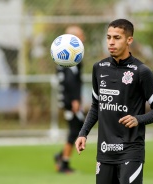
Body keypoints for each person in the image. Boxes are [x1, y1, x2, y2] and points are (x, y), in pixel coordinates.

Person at [75, 19, 153, 184]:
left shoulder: (142, 72)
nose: (111, 42)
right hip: (105, 151)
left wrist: (138, 119)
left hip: (131, 150)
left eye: (117, 38)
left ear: (129, 40)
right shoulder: (99, 68)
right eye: (108, 37)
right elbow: (96, 105)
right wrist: (83, 133)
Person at [54, 25, 85, 173]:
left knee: (77, 128)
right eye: (80, 36)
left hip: (66, 99)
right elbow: (70, 80)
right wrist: (75, 100)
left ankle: (61, 156)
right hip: (69, 100)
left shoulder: (62, 53)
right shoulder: (72, 55)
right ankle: (63, 162)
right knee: (75, 130)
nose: (83, 39)